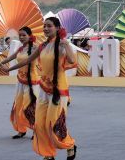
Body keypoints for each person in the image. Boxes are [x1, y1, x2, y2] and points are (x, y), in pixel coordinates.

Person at [7, 17, 77, 160]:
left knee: (53, 123)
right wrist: (9, 68)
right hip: (44, 89)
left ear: (57, 28)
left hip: (59, 91)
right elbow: (27, 60)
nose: (45, 29)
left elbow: (72, 61)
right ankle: (48, 154)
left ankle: (70, 145)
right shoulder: (42, 46)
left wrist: (66, 44)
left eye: (49, 26)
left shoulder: (62, 45)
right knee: (39, 124)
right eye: (44, 26)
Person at [0, 27, 40, 139]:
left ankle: (37, 130)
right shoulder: (21, 48)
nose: (21, 37)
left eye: (24, 35)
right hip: (21, 81)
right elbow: (12, 57)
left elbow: (26, 61)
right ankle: (21, 130)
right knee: (18, 106)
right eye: (20, 35)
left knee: (30, 107)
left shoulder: (35, 48)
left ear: (30, 35)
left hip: (32, 82)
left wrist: (8, 70)